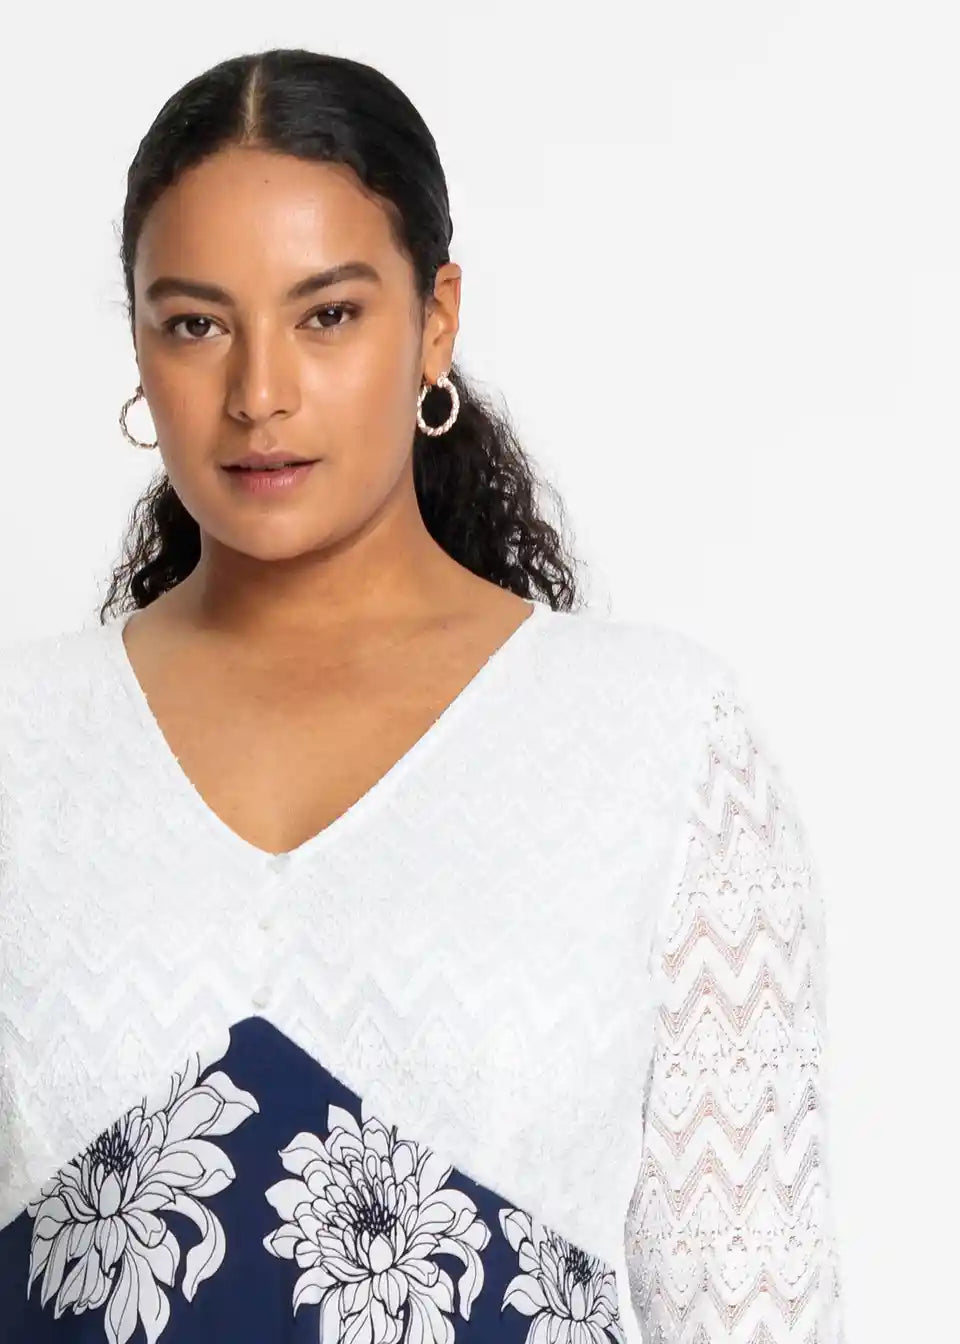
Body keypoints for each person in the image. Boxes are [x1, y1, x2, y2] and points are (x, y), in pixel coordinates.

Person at [0, 47, 845, 1344]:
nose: (259, 395)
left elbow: (757, 1317)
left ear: (435, 319)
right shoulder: (22, 750)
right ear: (139, 344)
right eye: (196, 324)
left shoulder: (658, 748)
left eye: (328, 315)